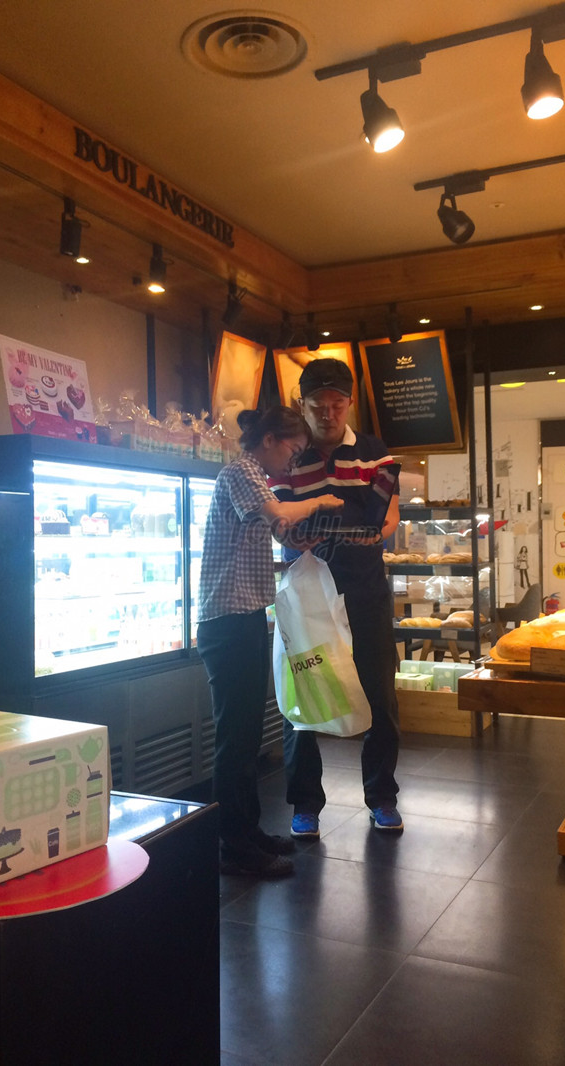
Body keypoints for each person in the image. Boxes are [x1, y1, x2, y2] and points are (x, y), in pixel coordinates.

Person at [196, 405, 343, 879]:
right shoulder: (241, 471)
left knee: (246, 737)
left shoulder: (252, 477)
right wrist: (320, 502)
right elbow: (279, 512)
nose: (292, 463)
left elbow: (264, 534)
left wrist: (296, 548)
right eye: (292, 451)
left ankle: (247, 831)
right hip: (228, 622)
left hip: (243, 618)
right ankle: (233, 847)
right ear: (269, 441)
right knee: (235, 739)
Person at [270, 357, 404, 836]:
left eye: (336, 404)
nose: (327, 414)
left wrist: (377, 533)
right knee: (303, 692)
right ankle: (304, 804)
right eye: (317, 405)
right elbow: (276, 514)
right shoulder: (289, 454)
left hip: (364, 586)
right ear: (301, 404)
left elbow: (390, 513)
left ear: (349, 402)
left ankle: (382, 796)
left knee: (380, 693)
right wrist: (291, 535)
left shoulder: (371, 451)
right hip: (306, 589)